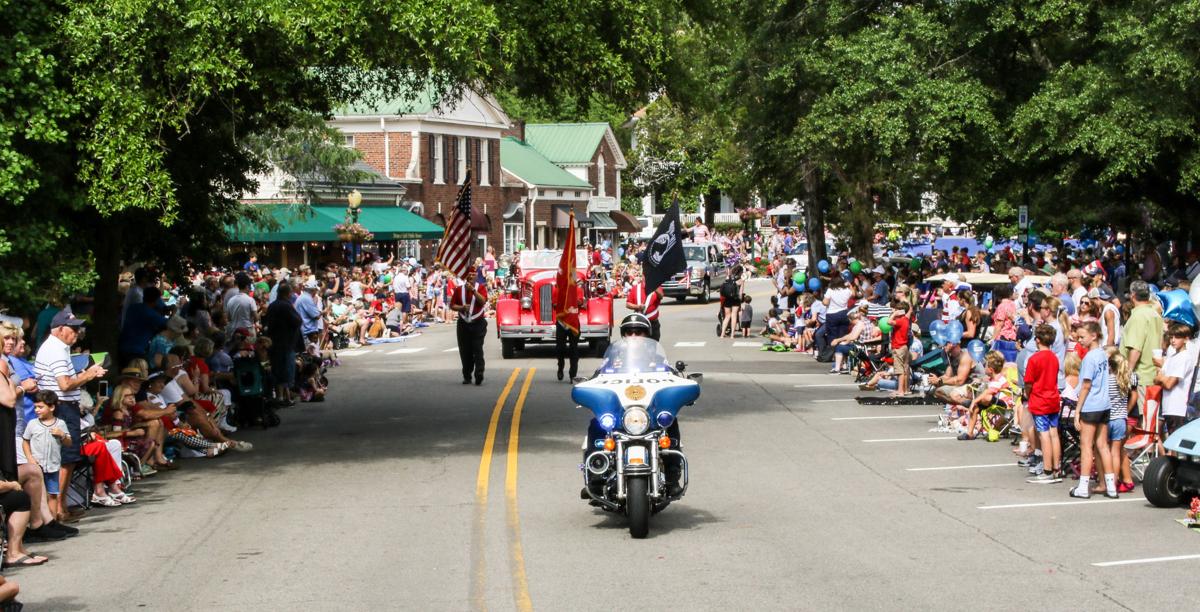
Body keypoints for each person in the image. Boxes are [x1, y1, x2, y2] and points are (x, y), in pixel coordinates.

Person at [34, 309, 105, 522]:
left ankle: (61, 505)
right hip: (62, 407)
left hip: (64, 407)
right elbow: (64, 385)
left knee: (69, 459)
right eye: (73, 329)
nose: (77, 333)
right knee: (65, 460)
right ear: (59, 329)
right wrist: (89, 374)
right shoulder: (55, 349)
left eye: (78, 329)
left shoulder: (59, 348)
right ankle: (57, 510)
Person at [1071, 321, 1117, 499]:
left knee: (1086, 446)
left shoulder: (1090, 358)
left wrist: (1077, 410)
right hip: (1105, 404)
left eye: (1082, 337)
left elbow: (1086, 385)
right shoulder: (1103, 355)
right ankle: (1111, 485)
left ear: (1094, 336)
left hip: (1091, 405)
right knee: (1103, 445)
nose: (1080, 340)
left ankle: (1083, 486)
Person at [22, 391, 70, 520]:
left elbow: (69, 442)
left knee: (52, 494)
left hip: (53, 466)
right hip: (37, 466)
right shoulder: (32, 424)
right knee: (37, 494)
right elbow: (25, 441)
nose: (37, 410)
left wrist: (62, 435)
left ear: (52, 407)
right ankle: (40, 522)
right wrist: (30, 458)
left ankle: (53, 521)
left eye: (40, 407)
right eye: (35, 407)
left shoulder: (60, 424)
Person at [1024, 325, 1063, 483]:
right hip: (1053, 398)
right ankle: (1056, 467)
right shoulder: (1054, 357)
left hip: (1040, 399)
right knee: (1054, 433)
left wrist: (1028, 394)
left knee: (1044, 434)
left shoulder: (1035, 359)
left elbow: (1029, 382)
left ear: (1037, 340)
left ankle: (1047, 469)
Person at [1121, 280, 1164, 397]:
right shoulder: (1155, 314)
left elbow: (1136, 348)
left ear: (1132, 295)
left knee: (1142, 414)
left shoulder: (1138, 316)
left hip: (1140, 378)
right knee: (1149, 414)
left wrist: (1127, 373)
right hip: (1153, 375)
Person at [262, 282, 301, 406]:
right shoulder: (286, 306)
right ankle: (281, 398)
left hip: (275, 342)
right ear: (288, 294)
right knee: (285, 371)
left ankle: (285, 397)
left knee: (278, 370)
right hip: (285, 343)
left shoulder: (272, 305)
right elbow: (297, 321)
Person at [1156, 322, 1195, 441]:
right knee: (1171, 439)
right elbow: (1156, 378)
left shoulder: (1185, 357)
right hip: (1168, 405)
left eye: (1177, 337)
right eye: (1171, 337)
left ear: (1186, 339)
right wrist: (1163, 378)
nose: (1173, 340)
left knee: (1176, 441)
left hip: (1178, 407)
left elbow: (1169, 384)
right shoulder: (1171, 357)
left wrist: (1163, 378)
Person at [450, 264, 488, 385]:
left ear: (477, 275)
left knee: (477, 349)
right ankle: (467, 375)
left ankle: (479, 374)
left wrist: (473, 290)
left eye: (474, 273)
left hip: (478, 323)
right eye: (469, 274)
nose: (471, 275)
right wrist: (461, 308)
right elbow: (452, 305)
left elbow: (483, 301)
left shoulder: (481, 287)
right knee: (465, 351)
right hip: (463, 324)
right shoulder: (458, 289)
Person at [959, 352, 1010, 441]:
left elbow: (987, 392)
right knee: (976, 407)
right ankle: (969, 433)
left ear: (990, 370)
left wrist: (974, 401)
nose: (984, 368)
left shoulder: (999, 379)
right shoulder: (992, 379)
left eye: (985, 366)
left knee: (985, 397)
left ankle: (972, 403)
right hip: (994, 403)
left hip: (1005, 406)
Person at [625, 276, 663, 341]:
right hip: (639, 323)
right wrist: (637, 307)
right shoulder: (636, 288)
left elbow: (661, 295)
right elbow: (628, 304)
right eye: (646, 275)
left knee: (653, 345)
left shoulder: (657, 287)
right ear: (642, 276)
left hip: (652, 323)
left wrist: (654, 286)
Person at [889, 300, 912, 397]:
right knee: (905, 368)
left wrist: (894, 314)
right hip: (904, 347)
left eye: (897, 310)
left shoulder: (900, 320)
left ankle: (900, 391)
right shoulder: (906, 319)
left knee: (899, 370)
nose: (895, 311)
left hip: (899, 347)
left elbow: (888, 321)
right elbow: (910, 310)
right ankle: (906, 390)